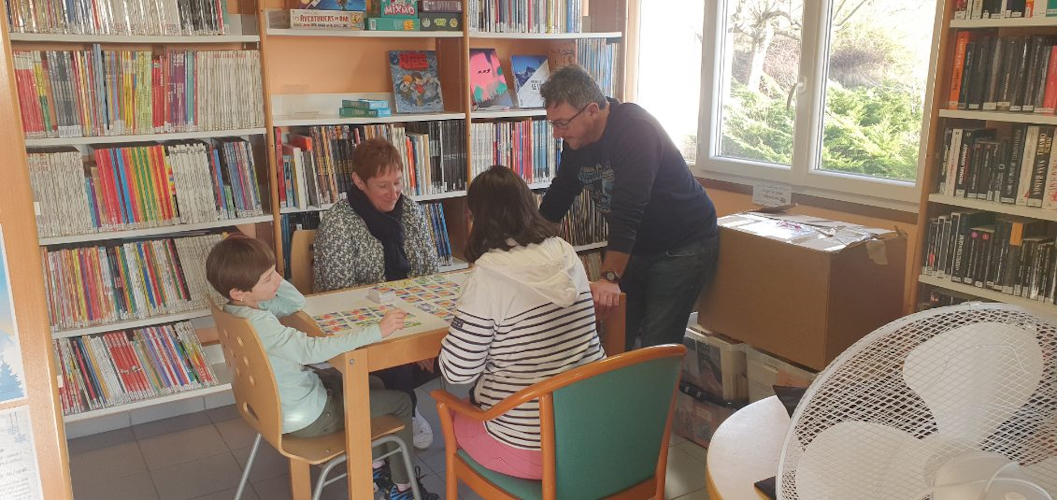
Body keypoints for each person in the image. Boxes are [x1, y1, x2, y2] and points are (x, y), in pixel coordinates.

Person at [205, 236, 439, 499]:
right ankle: (404, 489)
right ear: (240, 292)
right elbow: (314, 349)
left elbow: (296, 303)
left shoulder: (239, 309)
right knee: (401, 403)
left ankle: (375, 467)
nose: (276, 279)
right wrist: (377, 330)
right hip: (309, 418)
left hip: (275, 409)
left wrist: (272, 276)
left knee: (373, 384)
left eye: (274, 273)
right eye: (268, 278)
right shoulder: (262, 324)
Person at [437, 165, 606, 480]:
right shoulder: (567, 252)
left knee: (450, 408)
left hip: (529, 448)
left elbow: (457, 372)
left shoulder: (488, 275)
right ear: (529, 205)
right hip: (590, 434)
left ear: (477, 218)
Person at [538, 65, 720, 350]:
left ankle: (654, 396)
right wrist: (524, 243)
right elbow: (560, 195)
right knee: (615, 336)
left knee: (656, 345)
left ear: (592, 111)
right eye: (553, 124)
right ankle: (621, 395)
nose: (556, 134)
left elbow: (628, 210)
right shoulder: (578, 140)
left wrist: (609, 277)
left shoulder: (636, 131)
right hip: (637, 245)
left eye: (562, 123)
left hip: (682, 245)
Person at [313, 138, 440, 449]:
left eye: (397, 182)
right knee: (394, 357)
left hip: (410, 314)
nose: (393, 192)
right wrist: (405, 340)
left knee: (461, 345)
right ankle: (401, 408)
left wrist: (423, 335)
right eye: (382, 185)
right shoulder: (339, 220)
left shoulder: (410, 209)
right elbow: (339, 293)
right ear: (359, 181)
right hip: (366, 323)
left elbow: (429, 272)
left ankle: (394, 405)